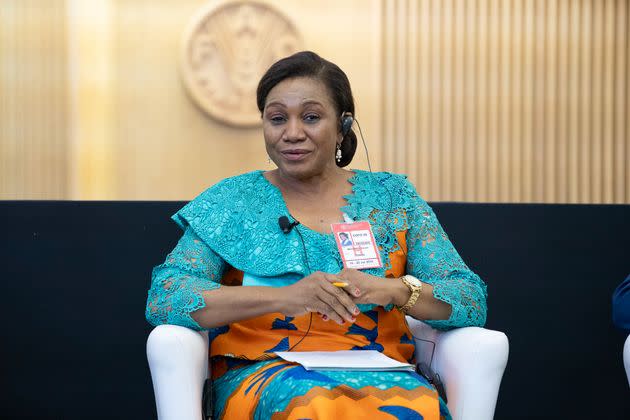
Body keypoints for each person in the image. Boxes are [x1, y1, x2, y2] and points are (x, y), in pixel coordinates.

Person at [145, 51, 487, 419]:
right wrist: (284, 297)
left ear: (342, 126)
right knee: (309, 403)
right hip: (265, 374)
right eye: (277, 119)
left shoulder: (393, 198)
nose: (292, 133)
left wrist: (393, 290)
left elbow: (468, 298)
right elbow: (167, 296)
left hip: (384, 375)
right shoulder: (232, 201)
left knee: (415, 407)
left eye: (310, 117)